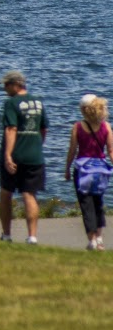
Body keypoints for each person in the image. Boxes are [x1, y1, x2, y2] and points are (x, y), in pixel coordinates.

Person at [0, 71, 48, 244]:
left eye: (6, 85)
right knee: (29, 194)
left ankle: (6, 235)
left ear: (15, 84)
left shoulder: (11, 103)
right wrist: (36, 146)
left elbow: (11, 129)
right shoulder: (38, 102)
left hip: (16, 155)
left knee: (6, 193)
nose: (4, 89)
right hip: (35, 155)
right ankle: (32, 237)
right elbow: (43, 129)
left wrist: (7, 155)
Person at [64, 95, 113, 250]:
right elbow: (111, 150)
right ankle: (99, 239)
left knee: (86, 205)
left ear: (84, 110)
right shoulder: (106, 127)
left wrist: (66, 168)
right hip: (100, 171)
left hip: (83, 171)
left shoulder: (78, 127)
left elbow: (72, 150)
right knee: (98, 204)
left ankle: (91, 240)